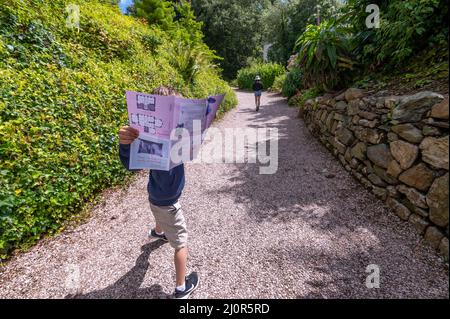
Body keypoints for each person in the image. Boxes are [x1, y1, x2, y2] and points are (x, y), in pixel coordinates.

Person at [118, 86, 199, 299]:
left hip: (154, 195)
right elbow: (130, 164)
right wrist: (125, 144)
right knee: (181, 243)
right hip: (169, 202)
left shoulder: (172, 137)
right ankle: (181, 288)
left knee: (158, 212)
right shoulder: (155, 139)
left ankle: (158, 232)